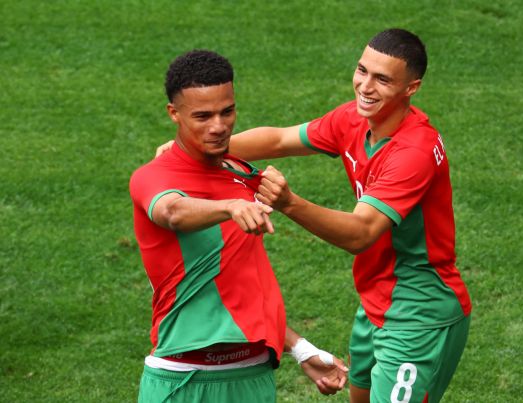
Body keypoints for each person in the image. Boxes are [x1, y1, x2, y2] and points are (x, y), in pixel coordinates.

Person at [157, 28, 472, 403]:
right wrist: (198, 151)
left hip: (420, 314)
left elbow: (361, 233)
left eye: (382, 79)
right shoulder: (354, 120)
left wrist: (289, 203)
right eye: (362, 71)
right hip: (377, 302)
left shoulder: (412, 152)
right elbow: (279, 140)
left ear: (411, 88)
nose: (365, 86)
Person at [130, 49, 347, 403]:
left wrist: (300, 348)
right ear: (174, 113)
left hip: (252, 377)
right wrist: (230, 206)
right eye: (202, 116)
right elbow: (170, 211)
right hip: (184, 382)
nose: (219, 126)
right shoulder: (153, 177)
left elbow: (238, 289)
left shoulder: (242, 175)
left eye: (227, 111)